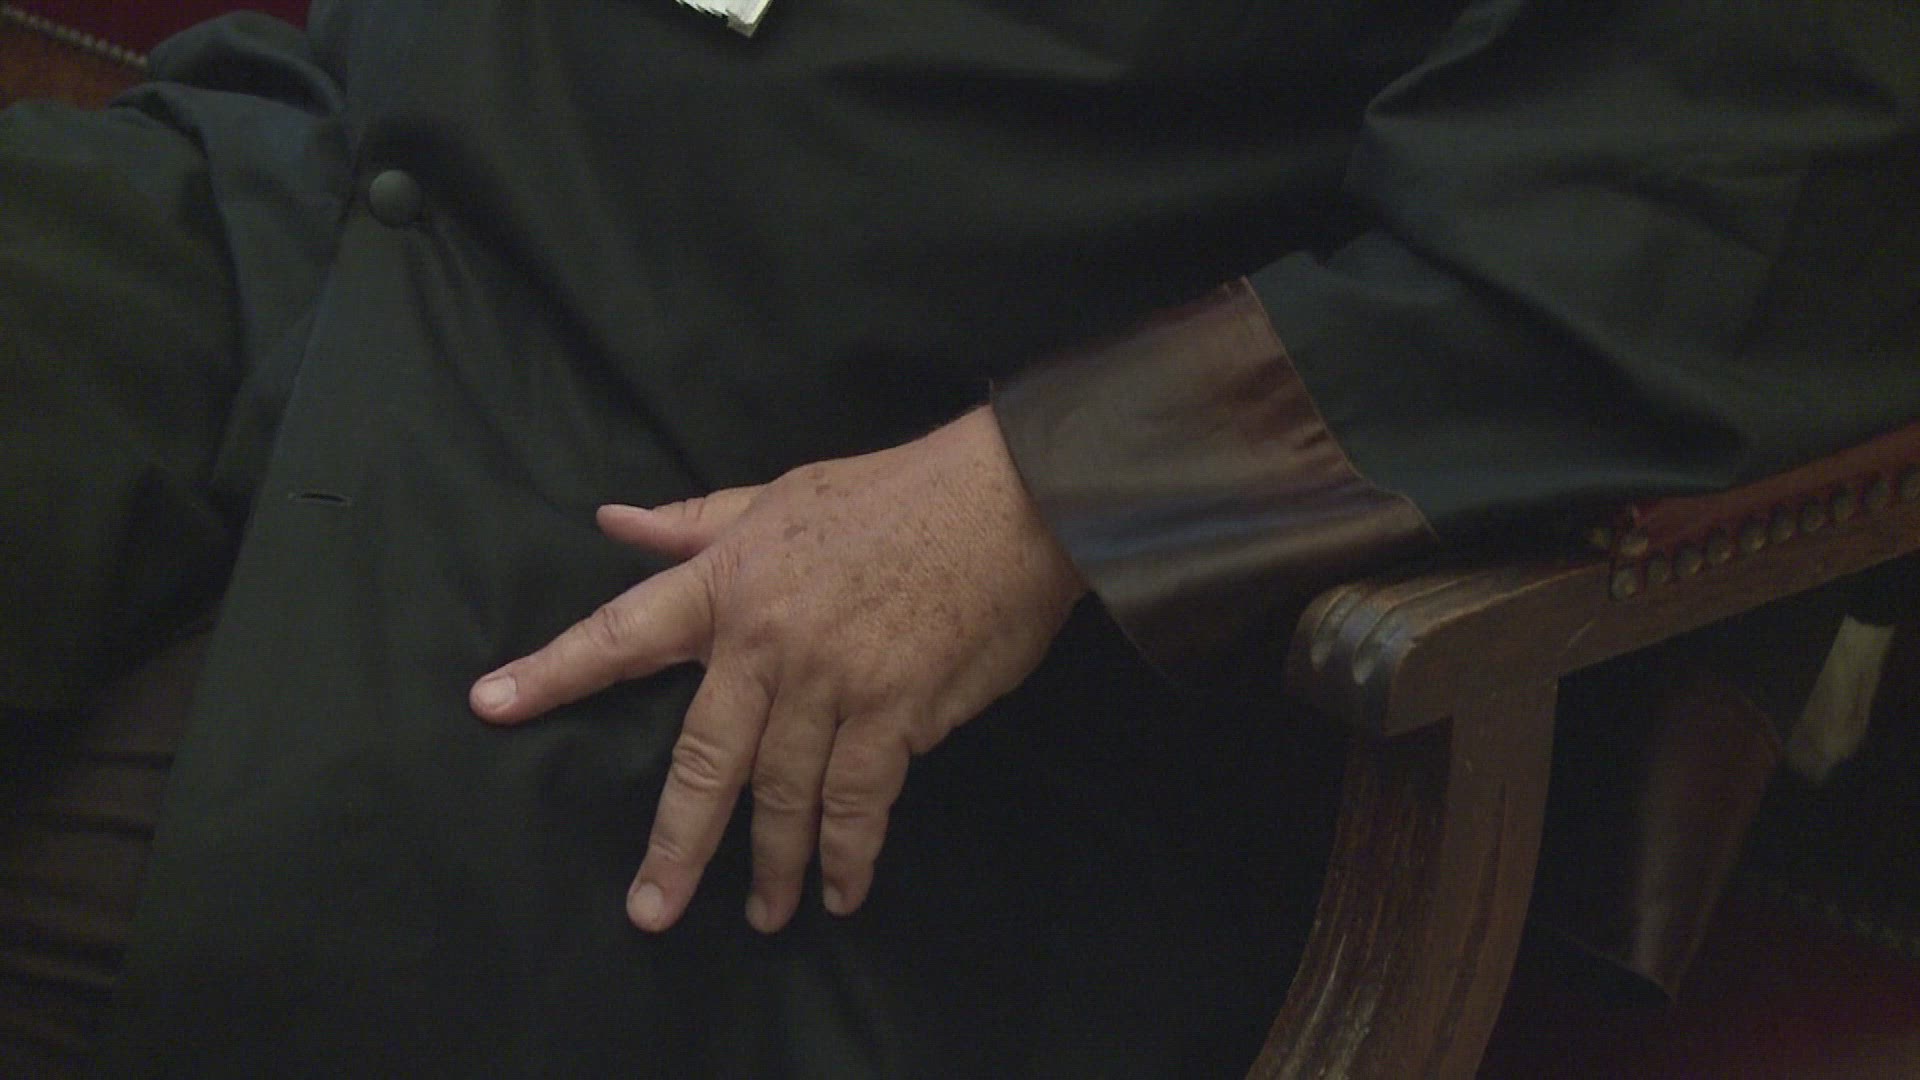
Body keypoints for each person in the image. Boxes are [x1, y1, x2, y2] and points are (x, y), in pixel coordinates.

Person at [2, 0, 1916, 1074]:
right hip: (322, 190)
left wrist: (1053, 488)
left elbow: (1709, 216)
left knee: (157, 916)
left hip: (814, 512)